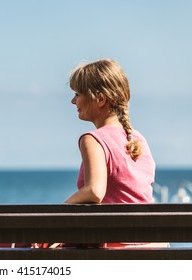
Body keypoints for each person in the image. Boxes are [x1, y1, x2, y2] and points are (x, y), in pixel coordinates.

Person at [59, 58, 167, 248]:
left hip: (117, 249)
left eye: (78, 94)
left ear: (100, 99)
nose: (73, 100)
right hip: (152, 244)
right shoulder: (138, 139)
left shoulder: (92, 139)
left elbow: (94, 191)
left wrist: (58, 213)